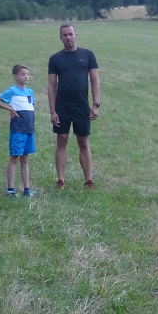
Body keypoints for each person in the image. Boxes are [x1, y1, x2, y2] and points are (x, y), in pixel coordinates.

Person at [48, 23, 101, 189]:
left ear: (76, 36)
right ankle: (60, 180)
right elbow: (51, 85)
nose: (68, 37)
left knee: (83, 141)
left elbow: (94, 80)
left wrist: (95, 105)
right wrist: (53, 111)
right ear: (60, 38)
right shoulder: (55, 59)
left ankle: (88, 180)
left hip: (82, 105)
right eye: (65, 35)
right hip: (62, 106)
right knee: (62, 140)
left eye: (71, 34)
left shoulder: (88, 55)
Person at [0, 64, 37, 197]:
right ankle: (10, 189)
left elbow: (33, 104)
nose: (26, 77)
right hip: (18, 130)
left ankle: (27, 189)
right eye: (23, 74)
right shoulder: (12, 91)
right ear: (15, 76)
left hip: (29, 130)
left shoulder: (30, 92)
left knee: (25, 158)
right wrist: (10, 109)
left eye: (27, 74)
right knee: (14, 158)